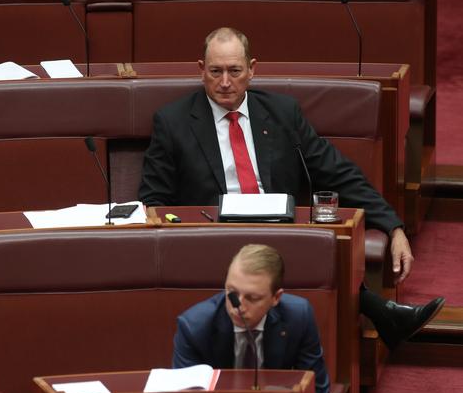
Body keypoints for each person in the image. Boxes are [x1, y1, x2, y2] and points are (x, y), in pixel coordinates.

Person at [140, 27, 444, 350]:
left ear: (252, 69)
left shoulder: (283, 113)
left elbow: (338, 174)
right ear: (201, 70)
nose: (225, 82)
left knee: (321, 240)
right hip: (214, 237)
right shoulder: (173, 122)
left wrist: (393, 226)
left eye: (235, 71)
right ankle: (381, 311)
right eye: (215, 71)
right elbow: (152, 200)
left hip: (280, 230)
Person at [173, 244, 330, 393]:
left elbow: (316, 389)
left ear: (276, 298)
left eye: (252, 298)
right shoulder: (194, 327)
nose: (238, 307)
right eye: (232, 293)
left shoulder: (298, 317)